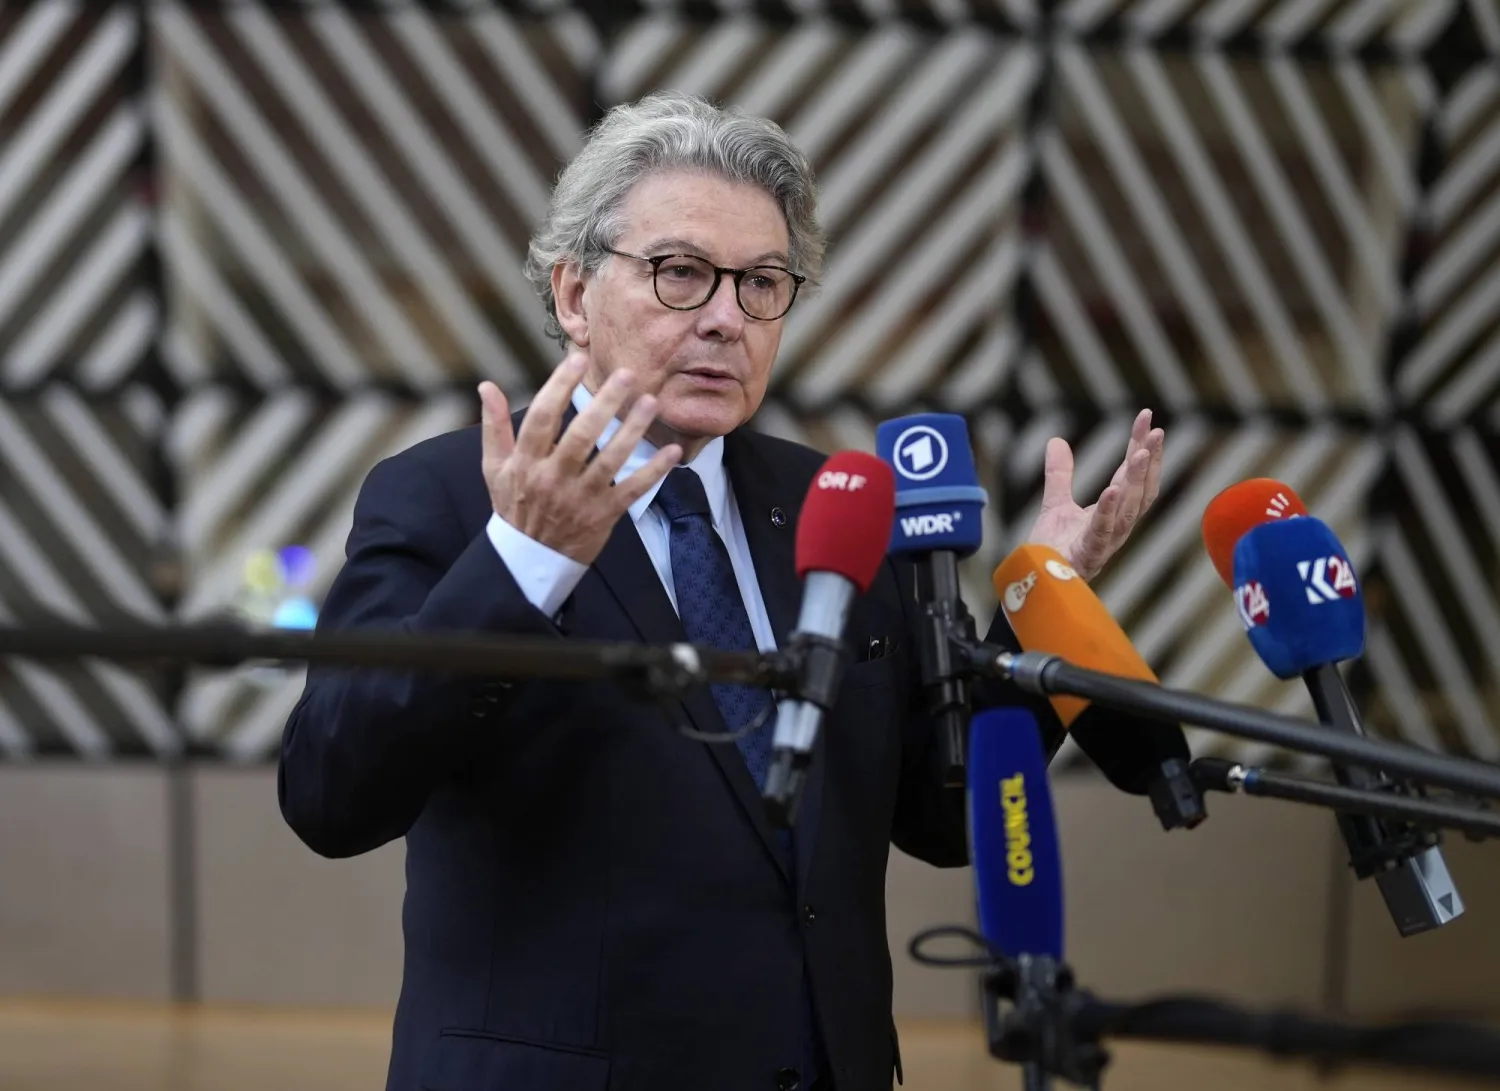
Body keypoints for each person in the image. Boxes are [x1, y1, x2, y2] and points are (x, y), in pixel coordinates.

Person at [278, 90, 1166, 1091]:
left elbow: (943, 809)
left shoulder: (838, 504)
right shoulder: (444, 494)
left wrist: (1041, 596)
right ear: (574, 294)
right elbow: (329, 794)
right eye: (681, 273)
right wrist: (525, 559)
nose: (725, 319)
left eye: (762, 283)